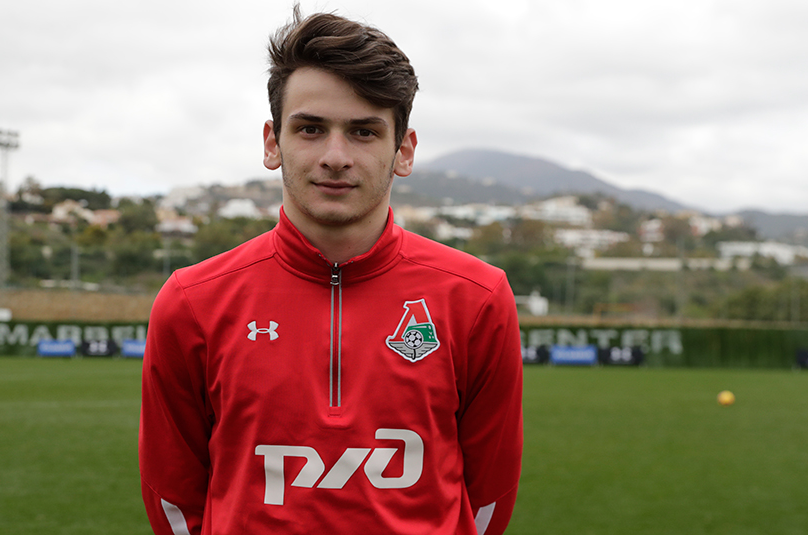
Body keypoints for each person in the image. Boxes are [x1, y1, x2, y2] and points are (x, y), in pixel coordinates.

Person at [139, 7, 523, 534]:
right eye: (311, 129)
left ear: (403, 151)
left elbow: (488, 501)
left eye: (364, 132)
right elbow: (173, 498)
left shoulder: (477, 298)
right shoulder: (192, 302)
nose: (335, 156)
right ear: (272, 143)